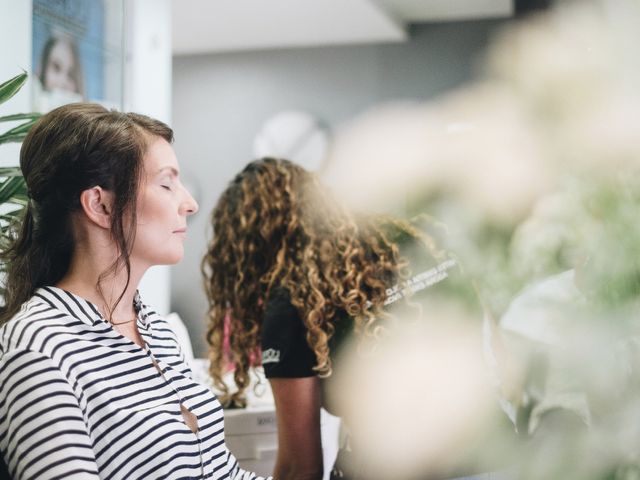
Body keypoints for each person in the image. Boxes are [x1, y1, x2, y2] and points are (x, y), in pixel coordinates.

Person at [0, 103, 269, 480]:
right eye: (166, 183)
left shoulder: (156, 331)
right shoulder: (39, 347)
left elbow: (222, 473)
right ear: (101, 204)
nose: (189, 204)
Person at [202, 158, 469, 479]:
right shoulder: (408, 243)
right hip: (498, 454)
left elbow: (300, 468)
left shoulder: (290, 307)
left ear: (247, 248)